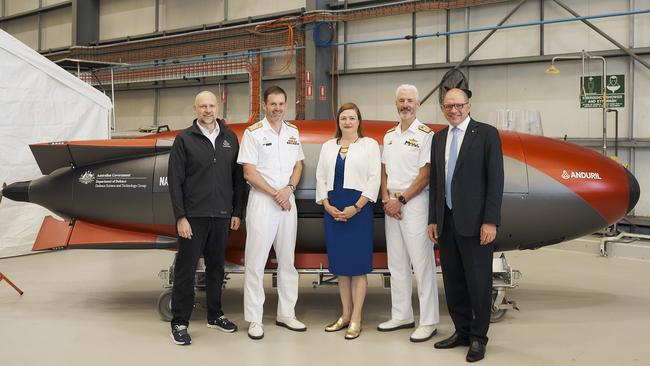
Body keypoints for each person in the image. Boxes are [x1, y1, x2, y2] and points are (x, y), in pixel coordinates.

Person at [428, 88, 504, 362]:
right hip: (447, 222)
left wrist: (490, 221)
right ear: (443, 108)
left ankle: (478, 338)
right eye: (449, 106)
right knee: (454, 281)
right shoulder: (438, 138)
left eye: (459, 105)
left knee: (478, 282)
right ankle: (461, 330)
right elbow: (436, 183)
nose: (454, 110)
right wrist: (433, 219)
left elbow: (496, 181)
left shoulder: (486, 134)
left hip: (476, 224)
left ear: (469, 106)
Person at [167, 90, 244, 345]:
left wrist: (236, 212)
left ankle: (215, 315)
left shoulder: (230, 138)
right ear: (195, 109)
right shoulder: (184, 140)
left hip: (221, 216)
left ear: (218, 108)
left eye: (211, 106)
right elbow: (175, 182)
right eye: (203, 106)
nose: (207, 110)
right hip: (193, 217)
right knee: (186, 271)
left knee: (216, 269)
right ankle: (179, 322)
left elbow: (237, 180)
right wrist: (181, 217)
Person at [237, 86, 306, 340]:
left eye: (281, 104)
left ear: (286, 105)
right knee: (255, 262)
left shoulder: (293, 132)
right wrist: (275, 193)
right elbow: (249, 172)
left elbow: (298, 164)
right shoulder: (253, 133)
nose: (277, 108)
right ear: (264, 105)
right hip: (263, 203)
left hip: (288, 202)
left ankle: (286, 313)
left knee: (288, 261)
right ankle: (255, 319)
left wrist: (288, 189)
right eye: (273, 104)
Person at [378, 84, 440, 342]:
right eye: (401, 100)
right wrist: (385, 198)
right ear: (396, 104)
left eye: (410, 100)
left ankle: (429, 321)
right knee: (397, 263)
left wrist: (401, 200)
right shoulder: (389, 135)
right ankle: (402, 314)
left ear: (418, 104)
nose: (405, 104)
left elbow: (425, 176)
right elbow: (383, 170)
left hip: (413, 204)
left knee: (422, 263)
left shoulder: (426, 135)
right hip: (391, 204)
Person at [315, 103, 381, 340]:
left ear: (359, 121)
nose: (348, 122)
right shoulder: (327, 146)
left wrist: (356, 207)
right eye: (343, 118)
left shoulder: (369, 145)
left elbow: (374, 178)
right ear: (338, 122)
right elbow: (320, 177)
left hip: (359, 208)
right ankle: (344, 315)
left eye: (352, 118)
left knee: (358, 267)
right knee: (342, 268)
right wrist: (326, 204)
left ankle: (357, 318)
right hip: (333, 207)